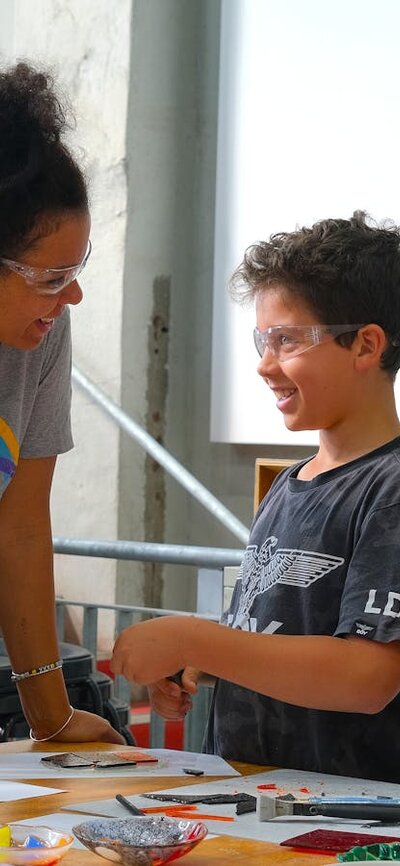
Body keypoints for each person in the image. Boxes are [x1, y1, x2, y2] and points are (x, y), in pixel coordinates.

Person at [112, 211, 400, 781]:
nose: (265, 365)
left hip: (351, 820)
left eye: (287, 340)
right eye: (262, 341)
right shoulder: (289, 485)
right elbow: (278, 639)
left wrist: (194, 638)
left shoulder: (389, 489)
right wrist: (202, 665)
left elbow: (366, 677)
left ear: (365, 345)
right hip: (258, 798)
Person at [0, 61, 124, 744]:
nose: (70, 298)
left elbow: (18, 531)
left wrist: (52, 719)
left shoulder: (41, 337)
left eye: (76, 274)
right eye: (51, 278)